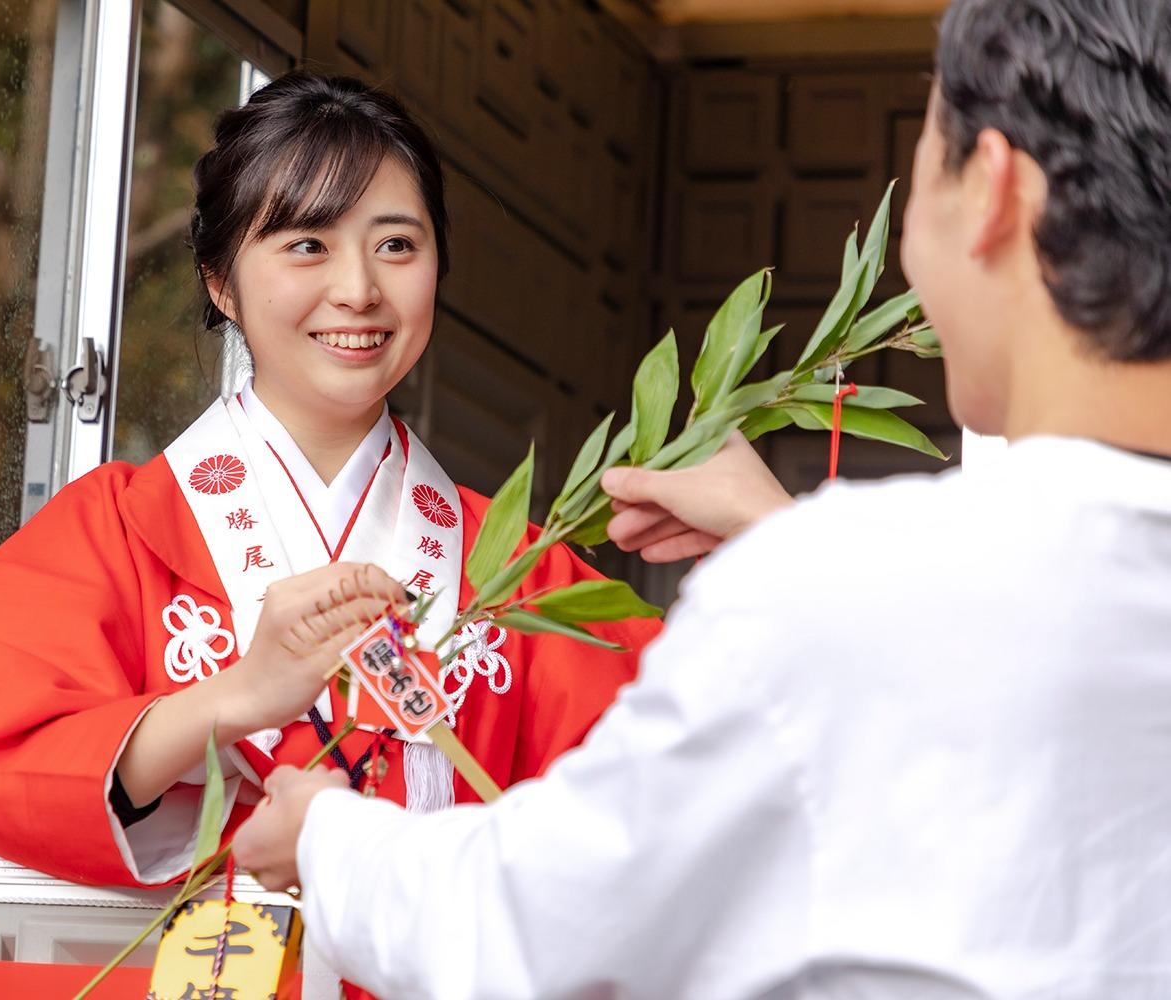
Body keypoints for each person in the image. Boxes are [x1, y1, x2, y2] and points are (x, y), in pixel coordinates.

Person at [230, 2, 1171, 997]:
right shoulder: (860, 585)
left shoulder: (826, 588)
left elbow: (544, 928)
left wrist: (327, 839)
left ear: (989, 191)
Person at [0, 73, 782, 994]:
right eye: (306, 243)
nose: (359, 289)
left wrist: (776, 540)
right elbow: (0, 758)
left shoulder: (522, 573)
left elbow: (709, 779)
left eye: (398, 245)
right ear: (220, 278)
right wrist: (231, 699)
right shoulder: (117, 530)